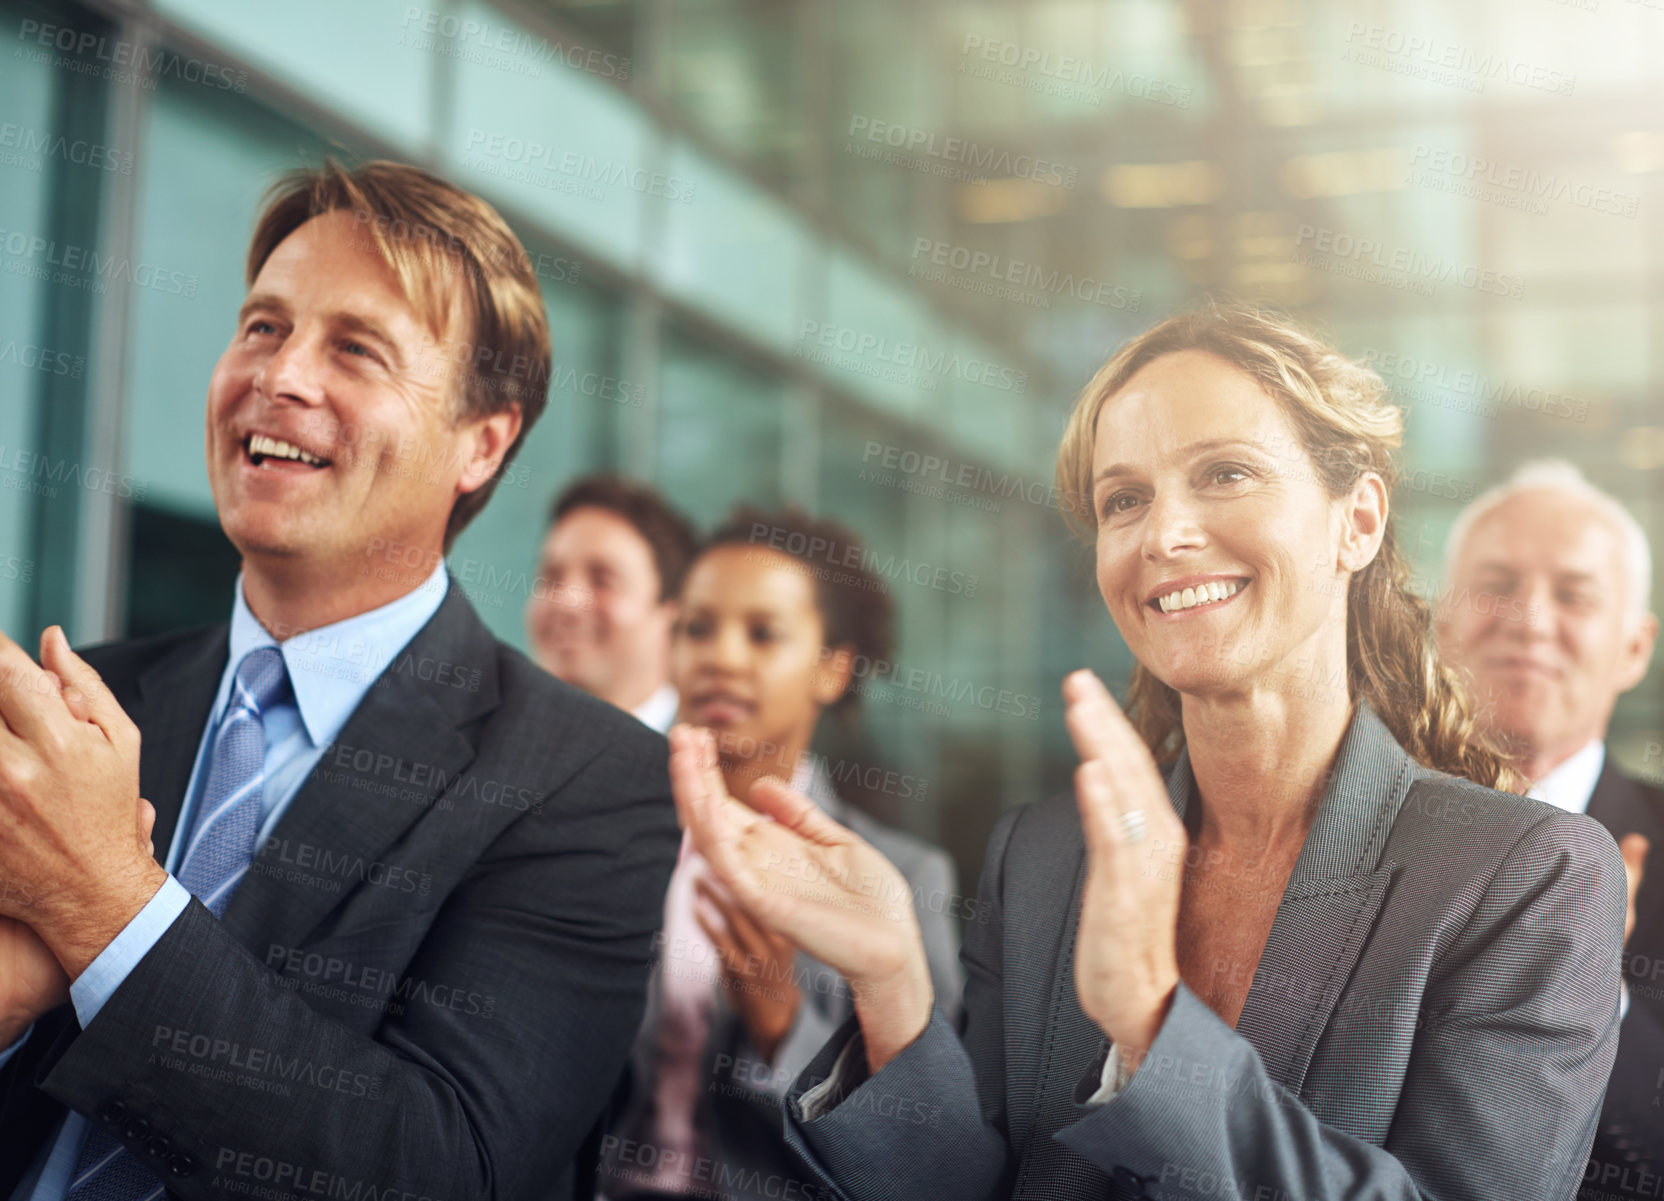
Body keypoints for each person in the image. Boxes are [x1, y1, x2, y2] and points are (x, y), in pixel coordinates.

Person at [669, 303, 1626, 1201]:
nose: (1164, 534)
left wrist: (1156, 1033)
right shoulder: (1041, 859)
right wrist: (894, 989)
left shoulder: (1530, 876)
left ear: (1358, 520)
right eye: (1123, 499)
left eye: (1226, 473)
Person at [0, 160, 678, 1201]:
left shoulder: (591, 782)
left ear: (481, 442)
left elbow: (439, 1167)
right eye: (263, 326)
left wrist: (106, 913)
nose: (280, 376)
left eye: (354, 347)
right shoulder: (78, 700)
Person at [598, 506, 963, 1201]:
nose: (720, 657)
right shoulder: (601, 834)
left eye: (763, 633)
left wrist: (782, 1021)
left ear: (832, 668)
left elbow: (927, 1148)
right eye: (696, 628)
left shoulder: (905, 875)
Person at [1437, 459, 1664, 1192]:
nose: (1530, 619)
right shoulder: (1343, 826)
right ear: (1443, 619)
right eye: (1496, 585)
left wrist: (1601, 990)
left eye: (1574, 594)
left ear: (1634, 647)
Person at [526, 474, 698, 734]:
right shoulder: (488, 742)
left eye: (603, 581)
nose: (566, 601)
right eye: (551, 577)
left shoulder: (721, 760)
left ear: (672, 611)